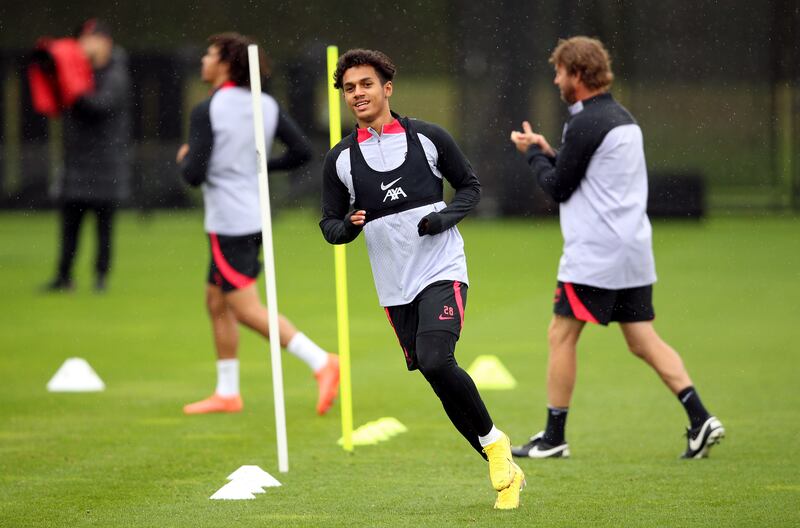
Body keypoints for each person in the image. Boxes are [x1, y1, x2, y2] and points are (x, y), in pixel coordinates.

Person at [320, 49, 524, 509]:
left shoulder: (429, 138)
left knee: (436, 358)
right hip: (395, 286)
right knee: (437, 379)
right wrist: (348, 228)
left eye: (366, 84)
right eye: (350, 88)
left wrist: (442, 220)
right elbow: (329, 226)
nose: (358, 94)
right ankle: (506, 468)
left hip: (441, 269)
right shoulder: (340, 160)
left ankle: (494, 446)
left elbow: (470, 186)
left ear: (387, 88)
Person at [509, 36, 724, 460]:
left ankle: (553, 438)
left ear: (577, 74)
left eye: (559, 72)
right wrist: (548, 150)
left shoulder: (586, 121)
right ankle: (700, 418)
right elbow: (585, 170)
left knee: (561, 333)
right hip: (632, 249)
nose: (555, 80)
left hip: (596, 253)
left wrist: (533, 156)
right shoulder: (621, 117)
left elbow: (558, 186)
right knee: (642, 339)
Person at [178, 32, 339, 416]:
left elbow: (194, 175)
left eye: (209, 54)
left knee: (246, 308)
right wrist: (258, 167)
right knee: (215, 300)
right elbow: (301, 152)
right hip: (254, 215)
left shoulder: (207, 110)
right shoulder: (266, 105)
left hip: (229, 222)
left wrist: (185, 157)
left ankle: (321, 361)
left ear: (225, 64)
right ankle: (228, 392)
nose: (203, 60)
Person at [43, 19, 132, 293]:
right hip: (77, 164)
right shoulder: (78, 71)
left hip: (106, 165)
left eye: (89, 39)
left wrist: (74, 91)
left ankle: (100, 279)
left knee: (104, 229)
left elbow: (99, 106)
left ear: (105, 42)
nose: (84, 44)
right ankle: (63, 277)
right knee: (70, 227)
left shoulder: (116, 74)